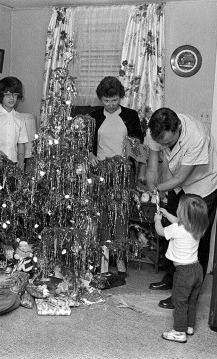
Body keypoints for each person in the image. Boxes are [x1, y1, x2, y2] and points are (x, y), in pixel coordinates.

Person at [142, 108, 217, 310]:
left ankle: (187, 293)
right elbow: (153, 166)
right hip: (177, 185)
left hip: (203, 185)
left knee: (194, 238)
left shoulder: (196, 135)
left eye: (168, 143)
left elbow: (181, 177)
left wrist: (158, 189)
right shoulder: (155, 132)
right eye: (161, 143)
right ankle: (171, 278)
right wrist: (153, 190)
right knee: (172, 228)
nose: (164, 146)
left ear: (178, 128)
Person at [88, 76, 144, 275]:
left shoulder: (130, 115)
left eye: (114, 100)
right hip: (100, 171)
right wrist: (90, 155)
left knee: (121, 214)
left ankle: (120, 258)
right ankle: (104, 258)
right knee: (102, 214)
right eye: (106, 101)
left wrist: (133, 167)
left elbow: (137, 144)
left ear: (120, 97)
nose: (111, 105)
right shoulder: (93, 117)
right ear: (100, 99)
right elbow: (87, 145)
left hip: (123, 171)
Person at [154, 194, 209, 343]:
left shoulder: (176, 229)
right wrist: (166, 213)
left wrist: (157, 221)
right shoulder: (197, 228)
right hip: (197, 270)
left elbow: (161, 232)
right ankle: (189, 326)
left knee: (180, 302)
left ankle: (179, 332)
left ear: (183, 213)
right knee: (192, 301)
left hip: (183, 273)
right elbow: (179, 221)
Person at [0, 77, 29, 170]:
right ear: (1, 96)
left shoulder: (20, 119)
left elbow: (21, 143)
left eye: (15, 95)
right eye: (7, 95)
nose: (12, 98)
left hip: (13, 162)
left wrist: (21, 161)